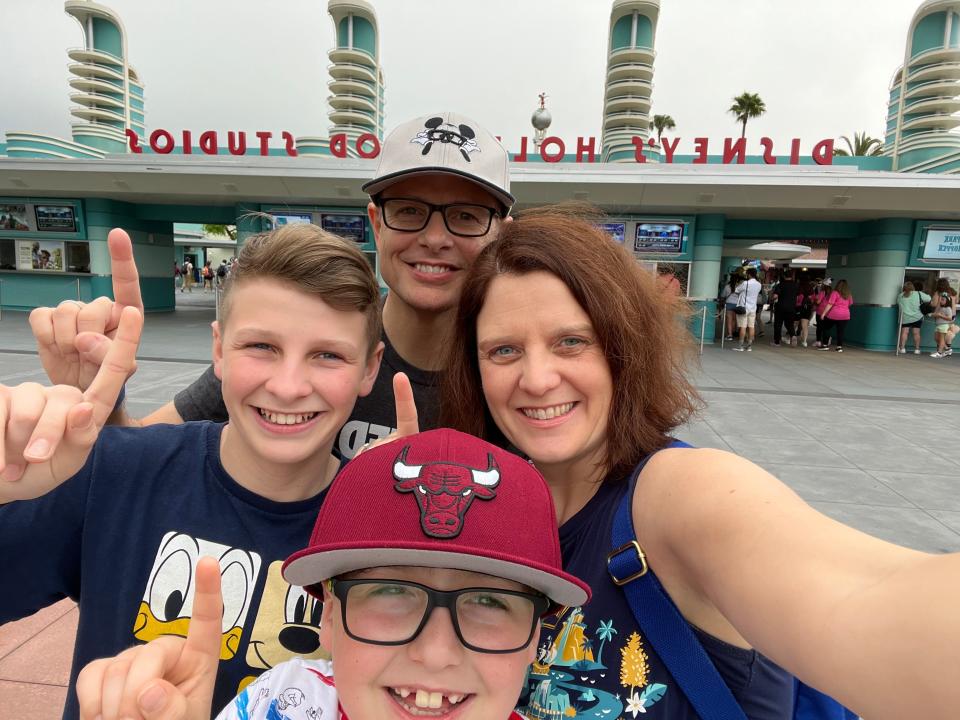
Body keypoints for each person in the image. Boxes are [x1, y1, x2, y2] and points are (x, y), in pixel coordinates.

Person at [439, 207, 958, 720]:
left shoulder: (681, 494)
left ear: (625, 349)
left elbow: (875, 602)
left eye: (571, 342)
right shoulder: (498, 514)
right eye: (504, 351)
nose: (536, 379)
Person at [0, 224, 385, 719]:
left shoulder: (379, 532)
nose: (289, 387)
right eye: (261, 347)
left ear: (369, 369)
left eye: (327, 355)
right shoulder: (115, 470)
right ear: (219, 350)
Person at [27, 112, 512, 460]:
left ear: (501, 233)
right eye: (409, 210)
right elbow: (138, 450)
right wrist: (102, 396)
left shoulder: (518, 372)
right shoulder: (290, 344)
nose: (434, 237)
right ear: (376, 223)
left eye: (466, 216)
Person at [74, 428, 590, 720]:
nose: (435, 654)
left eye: (489, 603)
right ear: (328, 615)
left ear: (534, 638)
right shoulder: (279, 704)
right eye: (390, 591)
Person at [817, 279, 853, 353]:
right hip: (845, 315)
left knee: (827, 329)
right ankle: (839, 347)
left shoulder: (835, 293)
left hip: (834, 314)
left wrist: (823, 314)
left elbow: (830, 304)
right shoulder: (848, 294)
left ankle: (825, 345)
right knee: (840, 331)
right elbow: (850, 304)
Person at [732, 266, 762, 351]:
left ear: (749, 274)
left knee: (743, 327)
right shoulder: (759, 284)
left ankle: (740, 346)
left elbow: (736, 290)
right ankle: (749, 346)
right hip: (753, 308)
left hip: (744, 308)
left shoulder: (745, 283)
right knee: (751, 327)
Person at [897, 281, 930, 355]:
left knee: (904, 332)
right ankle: (917, 349)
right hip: (917, 317)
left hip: (905, 317)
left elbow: (898, 303)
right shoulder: (918, 293)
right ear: (913, 287)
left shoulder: (900, 295)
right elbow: (929, 299)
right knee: (916, 333)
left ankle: (902, 348)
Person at [770, 268, 799, 347]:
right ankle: (793, 335)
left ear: (784, 276)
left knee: (778, 324)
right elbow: (798, 297)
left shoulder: (780, 285)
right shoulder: (796, 285)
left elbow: (775, 296)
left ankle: (777, 342)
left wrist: (771, 298)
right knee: (790, 323)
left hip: (780, 307)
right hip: (791, 307)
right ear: (791, 276)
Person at [930, 286, 956, 358]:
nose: (941, 301)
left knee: (941, 339)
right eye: (941, 299)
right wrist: (934, 314)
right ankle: (947, 349)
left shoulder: (948, 308)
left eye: (942, 300)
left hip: (944, 325)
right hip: (938, 325)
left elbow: (950, 318)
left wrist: (940, 316)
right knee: (936, 338)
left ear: (947, 301)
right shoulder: (941, 307)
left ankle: (939, 353)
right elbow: (936, 313)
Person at [719, 271, 742, 341]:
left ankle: (730, 335)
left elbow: (723, 296)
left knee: (729, 320)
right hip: (737, 305)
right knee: (734, 320)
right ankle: (734, 331)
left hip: (729, 304)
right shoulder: (740, 287)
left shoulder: (727, 286)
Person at [812, 277, 832, 348]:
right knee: (826, 327)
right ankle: (827, 340)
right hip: (829, 312)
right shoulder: (832, 293)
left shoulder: (822, 292)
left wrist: (814, 300)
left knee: (819, 327)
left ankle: (818, 341)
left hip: (820, 312)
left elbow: (818, 302)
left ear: (824, 285)